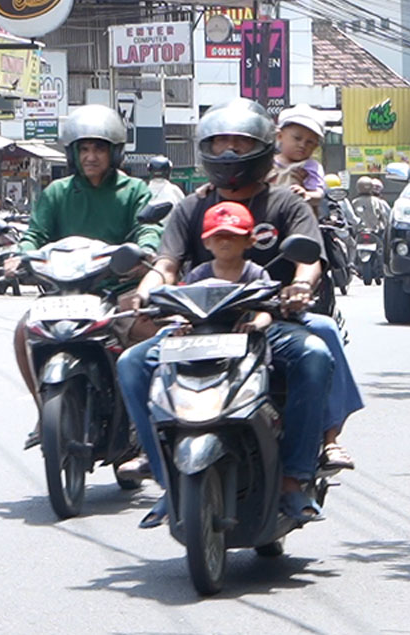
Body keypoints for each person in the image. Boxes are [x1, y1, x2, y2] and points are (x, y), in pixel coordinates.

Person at [117, 99, 362, 528]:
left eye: (240, 142)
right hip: (198, 326)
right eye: (220, 143)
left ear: (263, 147)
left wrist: (301, 287)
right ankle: (164, 479)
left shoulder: (287, 202)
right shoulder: (191, 207)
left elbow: (310, 259)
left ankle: (295, 476)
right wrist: (144, 293)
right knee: (133, 363)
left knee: (314, 355)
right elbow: (167, 264)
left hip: (270, 321)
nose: (229, 153)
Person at [2, 104, 162, 449]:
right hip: (65, 292)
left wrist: (144, 251)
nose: (91, 156)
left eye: (99, 148)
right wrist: (19, 255)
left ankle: (145, 418)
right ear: (73, 152)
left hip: (116, 290)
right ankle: (45, 412)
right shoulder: (57, 192)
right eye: (84, 149)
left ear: (115, 152)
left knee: (148, 332)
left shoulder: (134, 191)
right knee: (22, 333)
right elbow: (36, 234)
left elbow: (148, 230)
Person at [270, 104, 327, 215]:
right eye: (297, 138)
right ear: (280, 136)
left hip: (300, 218)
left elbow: (319, 195)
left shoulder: (310, 167)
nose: (302, 145)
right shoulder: (268, 163)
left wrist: (306, 194)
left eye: (309, 142)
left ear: (315, 146)